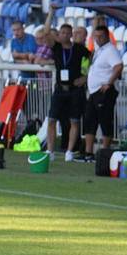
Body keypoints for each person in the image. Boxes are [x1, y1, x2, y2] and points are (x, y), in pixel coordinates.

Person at [40, 10, 91, 162]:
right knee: (52, 119)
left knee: (74, 121)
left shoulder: (79, 48)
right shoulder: (56, 47)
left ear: (71, 35)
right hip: (60, 89)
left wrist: (85, 76)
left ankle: (69, 151)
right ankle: (50, 151)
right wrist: (51, 12)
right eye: (61, 32)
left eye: (67, 33)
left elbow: (92, 58)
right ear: (59, 34)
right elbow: (46, 32)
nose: (63, 35)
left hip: (75, 90)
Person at [82, 25, 123, 162]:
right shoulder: (99, 50)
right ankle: (89, 153)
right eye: (96, 36)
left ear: (107, 36)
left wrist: (109, 83)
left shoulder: (111, 50)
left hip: (103, 91)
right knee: (89, 120)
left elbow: (118, 67)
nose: (98, 39)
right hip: (94, 91)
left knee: (105, 121)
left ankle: (105, 153)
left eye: (101, 36)